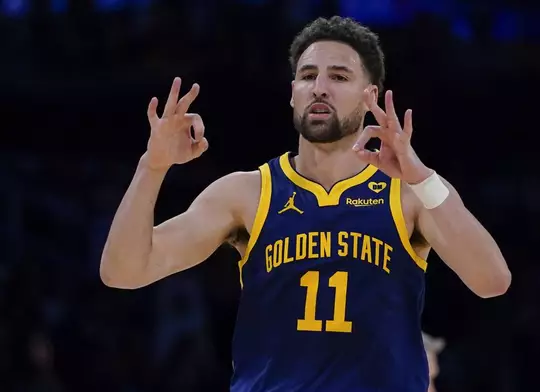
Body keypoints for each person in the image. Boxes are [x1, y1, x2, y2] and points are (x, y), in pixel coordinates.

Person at [100, 16, 511, 392]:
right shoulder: (247, 193)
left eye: (339, 76)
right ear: (292, 93)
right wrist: (151, 167)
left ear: (372, 95)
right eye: (307, 75)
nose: (319, 87)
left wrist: (421, 176)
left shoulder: (410, 193)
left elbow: (492, 281)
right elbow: (123, 271)